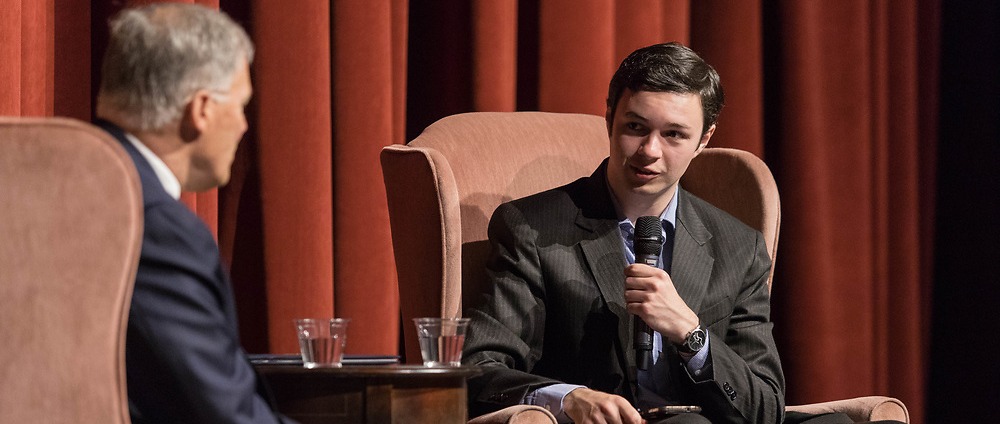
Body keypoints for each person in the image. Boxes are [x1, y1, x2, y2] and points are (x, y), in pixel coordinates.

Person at [461, 42, 782, 424]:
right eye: (635, 127)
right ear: (609, 117)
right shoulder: (532, 227)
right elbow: (479, 368)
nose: (649, 150)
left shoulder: (739, 247)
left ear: (704, 140)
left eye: (674, 135)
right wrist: (568, 398)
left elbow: (765, 406)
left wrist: (691, 334)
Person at [94, 4, 294, 423]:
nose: (243, 125)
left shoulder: (58, 187)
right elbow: (223, 411)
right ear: (201, 109)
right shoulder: (155, 228)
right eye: (240, 106)